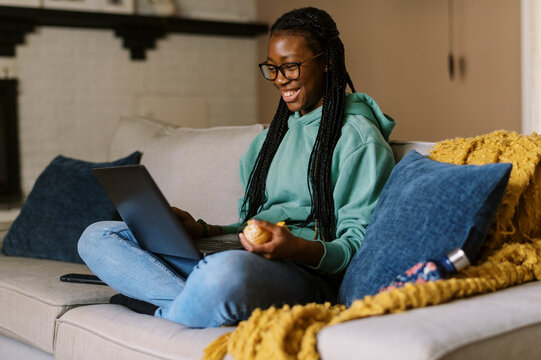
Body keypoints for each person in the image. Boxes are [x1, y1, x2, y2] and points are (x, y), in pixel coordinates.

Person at [77, 7, 396, 328]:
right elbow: (249, 225)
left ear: (327, 61)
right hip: (244, 261)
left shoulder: (358, 139)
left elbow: (355, 248)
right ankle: (199, 301)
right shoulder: (267, 141)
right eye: (271, 69)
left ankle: (165, 307)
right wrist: (204, 231)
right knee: (98, 236)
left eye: (291, 67)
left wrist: (295, 247)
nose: (279, 80)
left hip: (304, 274)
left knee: (225, 273)